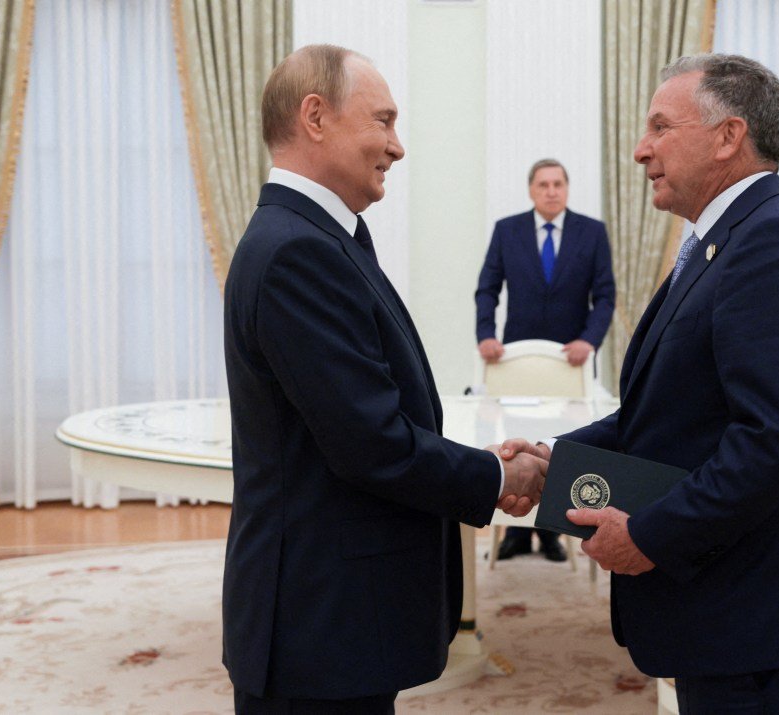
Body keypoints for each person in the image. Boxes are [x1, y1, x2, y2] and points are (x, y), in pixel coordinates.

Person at [501, 54, 779, 714]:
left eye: (660, 127)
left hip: (760, 618)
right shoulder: (722, 242)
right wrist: (557, 463)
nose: (641, 150)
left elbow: (773, 443)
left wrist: (651, 534)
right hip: (725, 608)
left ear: (728, 136)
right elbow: (667, 412)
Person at [222, 45, 546, 714]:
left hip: (333, 619)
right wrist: (492, 476)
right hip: (318, 624)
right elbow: (370, 441)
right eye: (384, 120)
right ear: (316, 116)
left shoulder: (319, 237)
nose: (397, 147)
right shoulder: (298, 252)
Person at [475, 159, 615, 563]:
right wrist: (486, 334)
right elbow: (487, 288)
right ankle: (515, 535)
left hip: (569, 364)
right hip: (516, 361)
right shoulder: (508, 230)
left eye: (558, 184)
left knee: (560, 444)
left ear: (567, 189)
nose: (551, 190)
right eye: (543, 184)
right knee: (518, 443)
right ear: (531, 191)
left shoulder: (592, 233)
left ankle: (551, 530)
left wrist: (589, 341)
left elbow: (604, 296)